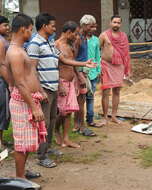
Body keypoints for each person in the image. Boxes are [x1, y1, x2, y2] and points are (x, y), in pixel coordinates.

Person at [26, 13, 96, 168]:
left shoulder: (49, 43)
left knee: (51, 121)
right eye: (52, 25)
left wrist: (85, 63)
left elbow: (63, 60)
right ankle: (41, 156)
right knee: (43, 123)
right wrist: (40, 90)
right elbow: (32, 70)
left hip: (53, 88)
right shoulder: (35, 44)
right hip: (44, 89)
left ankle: (48, 148)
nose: (54, 28)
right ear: (44, 26)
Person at [6, 13, 46, 178]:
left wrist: (40, 92)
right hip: (23, 102)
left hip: (29, 99)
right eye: (30, 29)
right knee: (21, 143)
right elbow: (20, 83)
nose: (32, 33)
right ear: (23, 30)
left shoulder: (20, 50)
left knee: (28, 141)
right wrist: (34, 107)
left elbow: (30, 74)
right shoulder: (15, 52)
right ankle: (20, 178)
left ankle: (22, 173)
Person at [98, 15, 131, 126]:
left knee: (117, 91)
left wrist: (127, 69)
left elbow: (126, 54)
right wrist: (97, 67)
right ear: (110, 23)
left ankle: (114, 116)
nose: (116, 24)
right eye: (114, 22)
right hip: (106, 66)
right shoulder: (104, 35)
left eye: (118, 22)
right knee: (105, 92)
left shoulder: (124, 36)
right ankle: (105, 117)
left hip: (119, 66)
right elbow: (96, 50)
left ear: (120, 24)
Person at [54, 21, 83, 148]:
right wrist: (59, 84)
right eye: (75, 34)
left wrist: (79, 77)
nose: (76, 37)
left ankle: (66, 138)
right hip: (61, 82)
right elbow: (54, 67)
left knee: (69, 111)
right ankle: (55, 131)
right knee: (61, 112)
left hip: (71, 82)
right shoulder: (56, 45)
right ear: (68, 32)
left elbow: (72, 63)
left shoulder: (71, 46)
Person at [73, 15, 100, 135]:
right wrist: (79, 74)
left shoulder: (84, 38)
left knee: (82, 100)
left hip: (84, 72)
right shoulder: (78, 38)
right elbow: (73, 58)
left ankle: (79, 125)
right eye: (90, 26)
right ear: (84, 25)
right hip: (80, 72)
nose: (93, 28)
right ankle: (80, 126)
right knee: (80, 100)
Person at [0, 16, 10, 149]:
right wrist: (10, 82)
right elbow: (2, 63)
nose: (8, 28)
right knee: (2, 110)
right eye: (5, 25)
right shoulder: (1, 41)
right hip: (2, 81)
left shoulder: (3, 40)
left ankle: (1, 140)